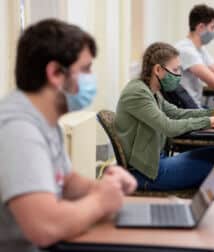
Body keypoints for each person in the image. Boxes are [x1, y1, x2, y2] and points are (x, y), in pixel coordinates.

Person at [0, 19, 137, 252]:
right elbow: (44, 227)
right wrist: (100, 201)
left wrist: (102, 187)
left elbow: (65, 181)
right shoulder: (18, 128)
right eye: (85, 69)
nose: (91, 77)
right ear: (55, 73)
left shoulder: (45, 120)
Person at [114, 42, 214, 204]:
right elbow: (168, 127)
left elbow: (177, 113)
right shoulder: (137, 93)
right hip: (147, 174)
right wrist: (212, 121)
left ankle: (206, 213)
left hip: (157, 163)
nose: (179, 75)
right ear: (158, 70)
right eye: (175, 70)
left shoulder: (151, 91)